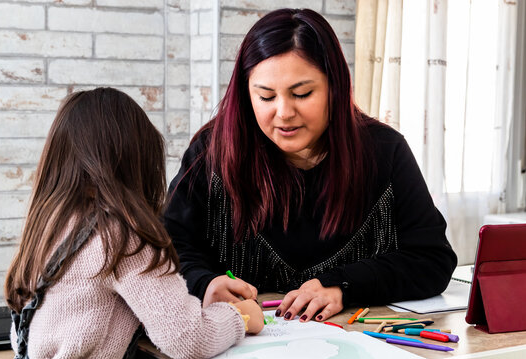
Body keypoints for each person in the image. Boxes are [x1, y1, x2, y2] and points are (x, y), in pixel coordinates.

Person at [164, 8, 457, 323]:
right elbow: (168, 248)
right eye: (265, 97)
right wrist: (203, 283)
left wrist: (343, 285)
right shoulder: (213, 152)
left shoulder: (385, 151)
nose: (284, 112)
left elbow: (432, 259)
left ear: (335, 87)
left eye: (302, 94)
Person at [4, 88, 263, 359]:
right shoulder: (121, 236)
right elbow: (189, 339)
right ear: (136, 164)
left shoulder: (47, 228)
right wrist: (240, 317)